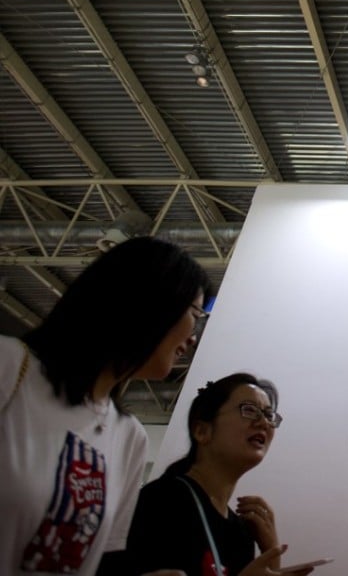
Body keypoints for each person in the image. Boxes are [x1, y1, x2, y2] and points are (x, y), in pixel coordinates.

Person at [0, 236, 212, 576]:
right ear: (149, 302)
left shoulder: (129, 438)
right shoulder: (10, 368)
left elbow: (100, 562)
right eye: (195, 314)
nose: (194, 336)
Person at [120, 373, 315, 576]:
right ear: (202, 431)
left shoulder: (241, 531)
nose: (263, 423)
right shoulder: (163, 500)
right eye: (249, 410)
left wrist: (272, 551)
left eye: (268, 415)